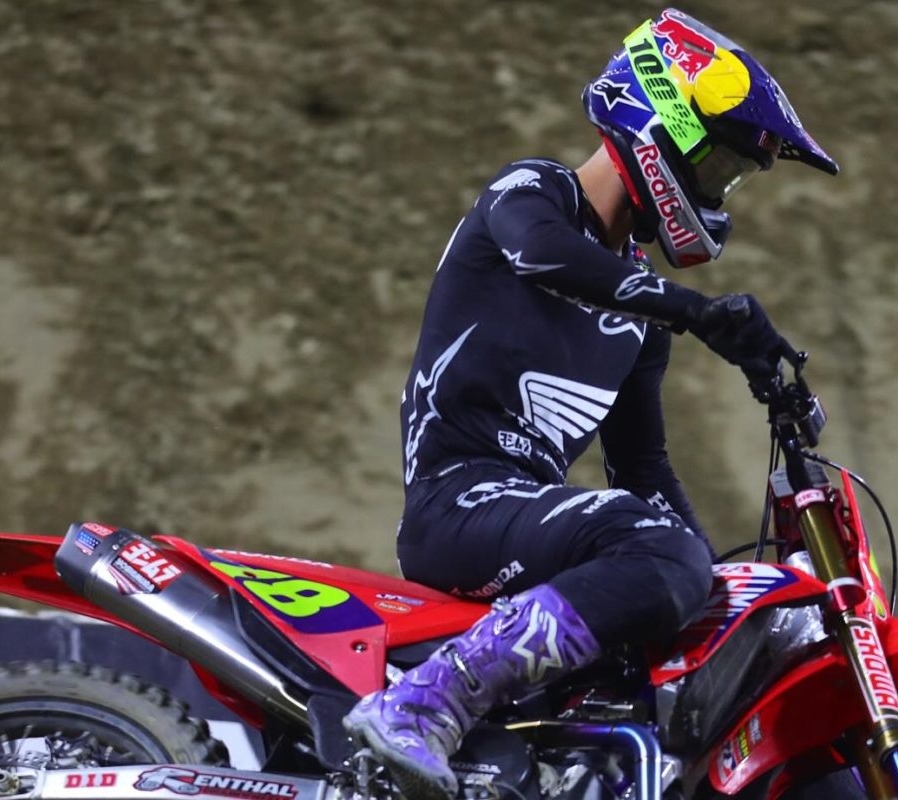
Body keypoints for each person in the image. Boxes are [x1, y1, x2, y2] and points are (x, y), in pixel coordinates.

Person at [344, 9, 839, 800]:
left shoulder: (638, 317)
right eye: (718, 167)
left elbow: (643, 469)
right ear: (662, 125)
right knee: (662, 553)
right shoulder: (531, 192)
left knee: (688, 577)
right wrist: (697, 312)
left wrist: (716, 584)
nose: (719, 193)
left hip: (525, 518)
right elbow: (546, 254)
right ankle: (426, 702)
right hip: (455, 502)